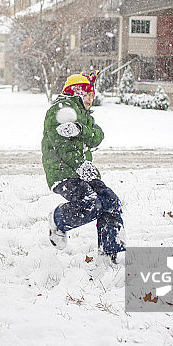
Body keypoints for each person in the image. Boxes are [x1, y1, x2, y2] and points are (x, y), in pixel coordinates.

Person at [41, 72, 126, 262]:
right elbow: (64, 147)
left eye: (93, 94)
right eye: (88, 93)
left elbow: (97, 136)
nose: (91, 98)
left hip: (83, 171)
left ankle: (109, 255)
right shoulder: (60, 111)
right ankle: (58, 219)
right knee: (91, 203)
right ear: (77, 92)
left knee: (110, 201)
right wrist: (82, 168)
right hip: (64, 173)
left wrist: (80, 128)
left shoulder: (83, 115)